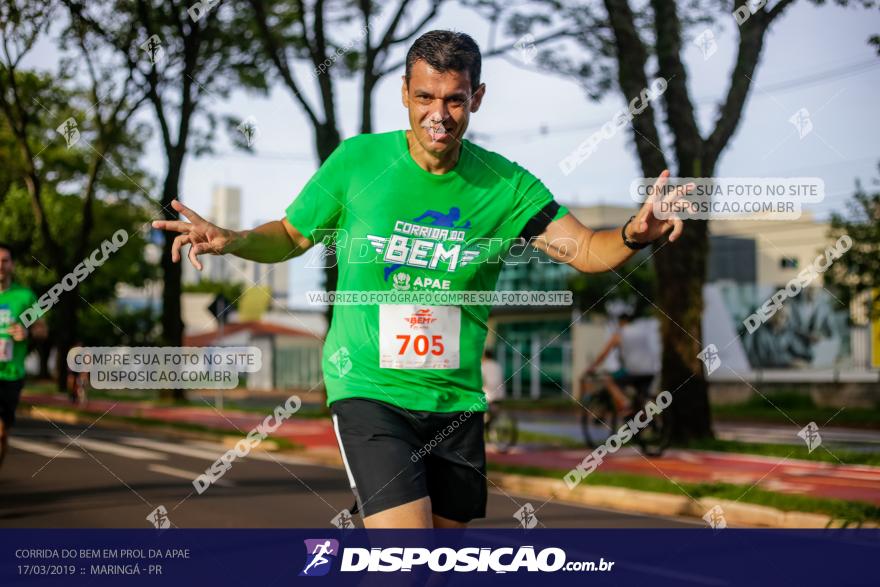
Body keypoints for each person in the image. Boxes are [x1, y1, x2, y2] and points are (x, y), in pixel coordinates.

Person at [152, 30, 691, 528]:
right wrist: (232, 238)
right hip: (368, 389)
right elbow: (292, 235)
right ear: (404, 93)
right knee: (409, 562)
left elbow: (588, 250)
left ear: (476, 97)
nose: (440, 115)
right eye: (426, 98)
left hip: (455, 401)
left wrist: (633, 233)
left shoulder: (506, 186)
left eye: (455, 100)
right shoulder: (358, 161)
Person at [0, 243, 47, 471]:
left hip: (11, 373)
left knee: (1, 433)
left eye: (5, 261)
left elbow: (42, 329)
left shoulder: (25, 296)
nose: (0, 265)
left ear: (12, 265)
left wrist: (27, 331)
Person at [583, 313, 660, 412]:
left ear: (621, 322)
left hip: (634, 371)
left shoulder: (619, 335)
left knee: (608, 380)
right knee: (640, 398)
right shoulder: (641, 333)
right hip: (650, 371)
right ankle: (647, 420)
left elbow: (603, 355)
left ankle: (624, 402)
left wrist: (592, 367)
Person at [481, 347, 504, 437]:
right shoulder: (497, 365)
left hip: (488, 395)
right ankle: (492, 431)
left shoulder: (483, 366)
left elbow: (482, 381)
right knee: (493, 415)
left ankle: (485, 427)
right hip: (500, 394)